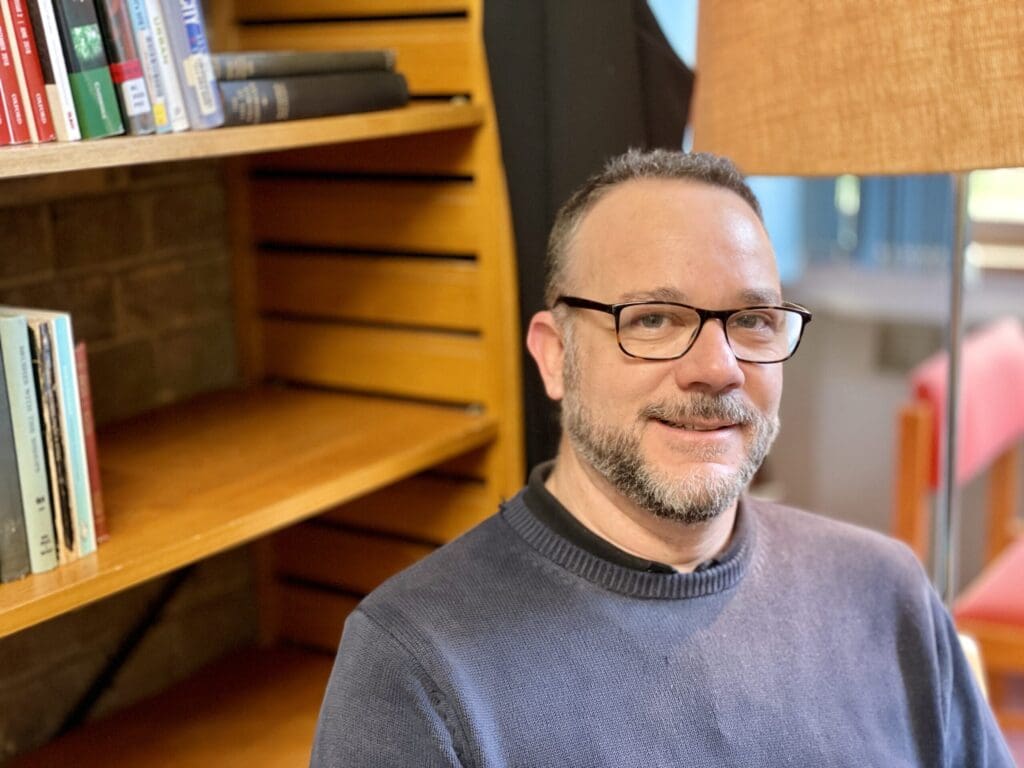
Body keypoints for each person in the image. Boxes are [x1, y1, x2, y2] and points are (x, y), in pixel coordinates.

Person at [310, 149, 1014, 767]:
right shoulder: (415, 669)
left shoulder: (884, 593)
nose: (718, 367)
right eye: (653, 319)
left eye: (753, 321)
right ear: (557, 357)